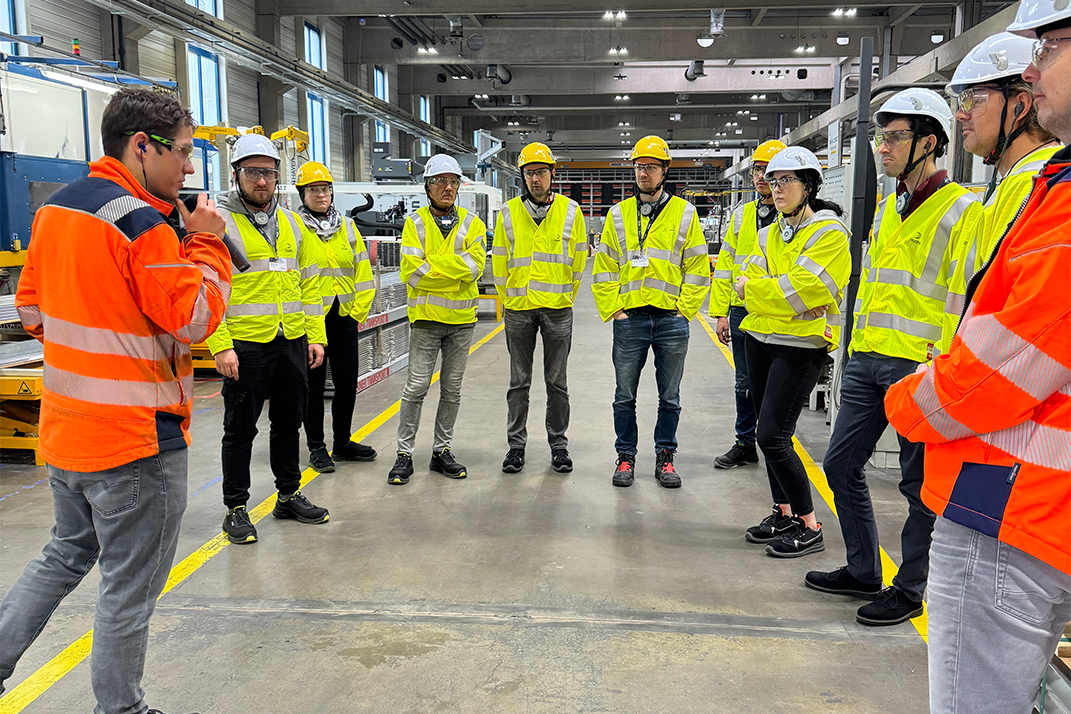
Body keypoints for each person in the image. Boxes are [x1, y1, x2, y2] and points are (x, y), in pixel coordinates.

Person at [0, 89, 230, 713]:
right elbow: (195, 320)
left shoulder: (56, 211)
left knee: (64, 552)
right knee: (128, 591)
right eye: (182, 153)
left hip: (70, 431)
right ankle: (121, 709)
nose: (188, 169)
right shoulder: (143, 224)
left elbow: (32, 312)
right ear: (141, 146)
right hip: (135, 440)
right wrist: (207, 244)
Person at [886, 2, 1071, 711]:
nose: (1033, 66)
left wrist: (908, 402)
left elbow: (1006, 361)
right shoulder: (1019, 192)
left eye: (1049, 48)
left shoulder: (1045, 196)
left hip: (1008, 493)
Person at [803, 89, 983, 624]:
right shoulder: (887, 207)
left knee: (917, 484)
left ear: (929, 143)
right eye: (881, 136)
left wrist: (945, 367)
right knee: (839, 464)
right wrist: (851, 343)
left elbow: (963, 297)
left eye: (896, 136)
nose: (883, 146)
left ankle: (910, 587)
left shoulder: (962, 211)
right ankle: (863, 569)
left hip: (921, 367)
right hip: (867, 358)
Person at [207, 134, 329, 544]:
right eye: (254, 172)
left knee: (288, 423)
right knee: (240, 429)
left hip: (291, 340)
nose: (262, 181)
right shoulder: (219, 224)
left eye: (269, 173)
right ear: (237, 174)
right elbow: (206, 289)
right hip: (245, 345)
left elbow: (309, 283)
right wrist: (220, 344)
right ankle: (236, 508)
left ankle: (288, 494)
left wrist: (316, 336)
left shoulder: (293, 222)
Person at [735, 146, 850, 558]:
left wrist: (769, 291)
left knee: (772, 435)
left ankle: (809, 524)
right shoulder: (768, 234)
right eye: (772, 179)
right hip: (760, 340)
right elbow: (746, 282)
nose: (775, 186)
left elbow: (805, 290)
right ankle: (783, 511)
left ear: (809, 186)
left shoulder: (830, 234)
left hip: (800, 347)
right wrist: (778, 295)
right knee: (768, 440)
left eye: (786, 180)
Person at [591, 135, 710, 488]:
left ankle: (665, 457)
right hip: (631, 321)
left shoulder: (685, 213)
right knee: (624, 395)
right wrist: (616, 310)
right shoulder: (618, 214)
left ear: (665, 171)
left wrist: (684, 312)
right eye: (640, 166)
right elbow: (604, 268)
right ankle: (626, 456)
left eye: (652, 167)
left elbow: (698, 267)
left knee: (669, 396)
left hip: (670, 321)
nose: (645, 173)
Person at [944, 30, 1062, 338]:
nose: (960, 114)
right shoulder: (1010, 186)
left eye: (972, 99)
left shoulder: (1032, 186)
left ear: (1020, 105)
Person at [387, 154, 486, 485]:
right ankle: (404, 454)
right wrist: (455, 272)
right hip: (426, 321)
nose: (447, 187)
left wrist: (435, 265)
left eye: (453, 181)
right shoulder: (414, 224)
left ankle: (441, 451)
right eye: (440, 181)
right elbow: (413, 273)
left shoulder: (474, 224)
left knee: (452, 390)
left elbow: (476, 268)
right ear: (427, 186)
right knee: (415, 387)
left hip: (462, 322)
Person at [492, 142, 587, 474]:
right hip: (519, 309)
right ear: (522, 176)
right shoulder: (507, 212)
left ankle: (558, 445)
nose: (536, 179)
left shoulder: (572, 211)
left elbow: (578, 262)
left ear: (552, 174)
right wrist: (510, 298)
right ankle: (516, 447)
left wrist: (564, 294)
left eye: (541, 172)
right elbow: (499, 262)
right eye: (530, 173)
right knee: (518, 382)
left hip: (558, 308)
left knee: (556, 382)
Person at [295, 161, 378, 473]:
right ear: (303, 194)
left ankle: (342, 442)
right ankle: (317, 447)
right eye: (314, 190)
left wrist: (358, 313)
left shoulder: (346, 226)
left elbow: (363, 272)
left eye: (325, 189)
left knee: (346, 384)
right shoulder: (295, 227)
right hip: (310, 320)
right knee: (313, 388)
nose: (321, 194)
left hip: (343, 316)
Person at [710, 139, 786, 469]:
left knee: (779, 382)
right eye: (757, 169)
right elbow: (726, 263)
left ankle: (779, 443)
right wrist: (721, 312)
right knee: (744, 381)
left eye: (767, 170)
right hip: (742, 310)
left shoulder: (796, 214)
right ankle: (745, 442)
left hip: (780, 310)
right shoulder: (742, 215)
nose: (760, 176)